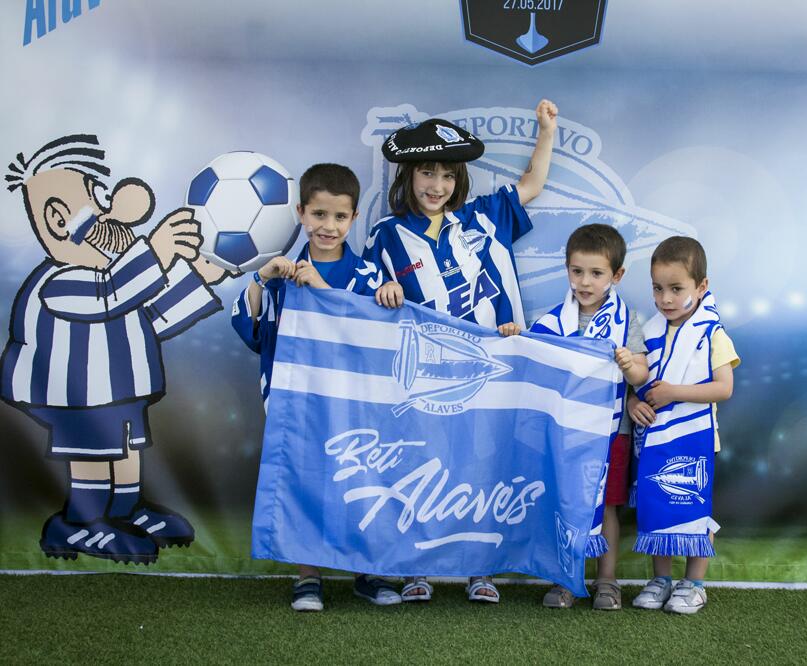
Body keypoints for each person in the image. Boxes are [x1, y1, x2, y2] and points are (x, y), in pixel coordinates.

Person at [359, 99, 559, 603]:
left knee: (483, 463)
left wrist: (546, 130)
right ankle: (416, 568)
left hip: (494, 373)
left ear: (460, 181)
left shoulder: (484, 218)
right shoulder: (385, 235)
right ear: (408, 176)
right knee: (424, 463)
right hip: (426, 378)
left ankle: (481, 569)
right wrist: (382, 294)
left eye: (448, 174)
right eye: (427, 172)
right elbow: (363, 302)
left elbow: (532, 184)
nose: (437, 185)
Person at [2, 134, 228, 564]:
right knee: (93, 449)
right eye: (98, 199)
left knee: (125, 446)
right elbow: (111, 294)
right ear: (57, 218)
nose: (113, 213)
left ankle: (124, 510)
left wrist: (197, 277)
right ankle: (79, 523)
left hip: (119, 389)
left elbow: (152, 315)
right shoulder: (61, 280)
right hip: (75, 393)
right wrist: (157, 252)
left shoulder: (114, 277)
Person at [232, 163, 401, 611]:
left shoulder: (367, 276)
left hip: (354, 404)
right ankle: (308, 576)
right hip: (297, 401)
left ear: (353, 218)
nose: (329, 226)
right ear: (301, 213)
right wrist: (260, 279)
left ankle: (368, 572)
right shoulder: (282, 274)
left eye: (340, 217)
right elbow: (252, 331)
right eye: (319, 215)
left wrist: (337, 290)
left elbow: (371, 342)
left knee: (361, 479)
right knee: (305, 481)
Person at [530, 223, 649, 611]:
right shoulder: (551, 322)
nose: (584, 281)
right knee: (565, 503)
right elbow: (532, 364)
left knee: (607, 505)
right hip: (565, 432)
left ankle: (607, 580)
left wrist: (629, 365)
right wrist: (515, 335)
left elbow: (642, 375)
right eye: (577, 271)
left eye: (596, 273)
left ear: (616, 276)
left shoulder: (626, 321)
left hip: (611, 431)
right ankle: (566, 579)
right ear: (566, 269)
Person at [627, 236, 739, 615]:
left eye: (677, 289)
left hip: (697, 439)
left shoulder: (712, 333)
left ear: (701, 286)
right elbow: (635, 381)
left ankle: (694, 584)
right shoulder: (650, 330)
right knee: (657, 504)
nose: (666, 299)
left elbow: (724, 388)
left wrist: (674, 392)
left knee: (692, 506)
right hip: (655, 437)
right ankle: (661, 580)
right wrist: (632, 403)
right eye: (658, 289)